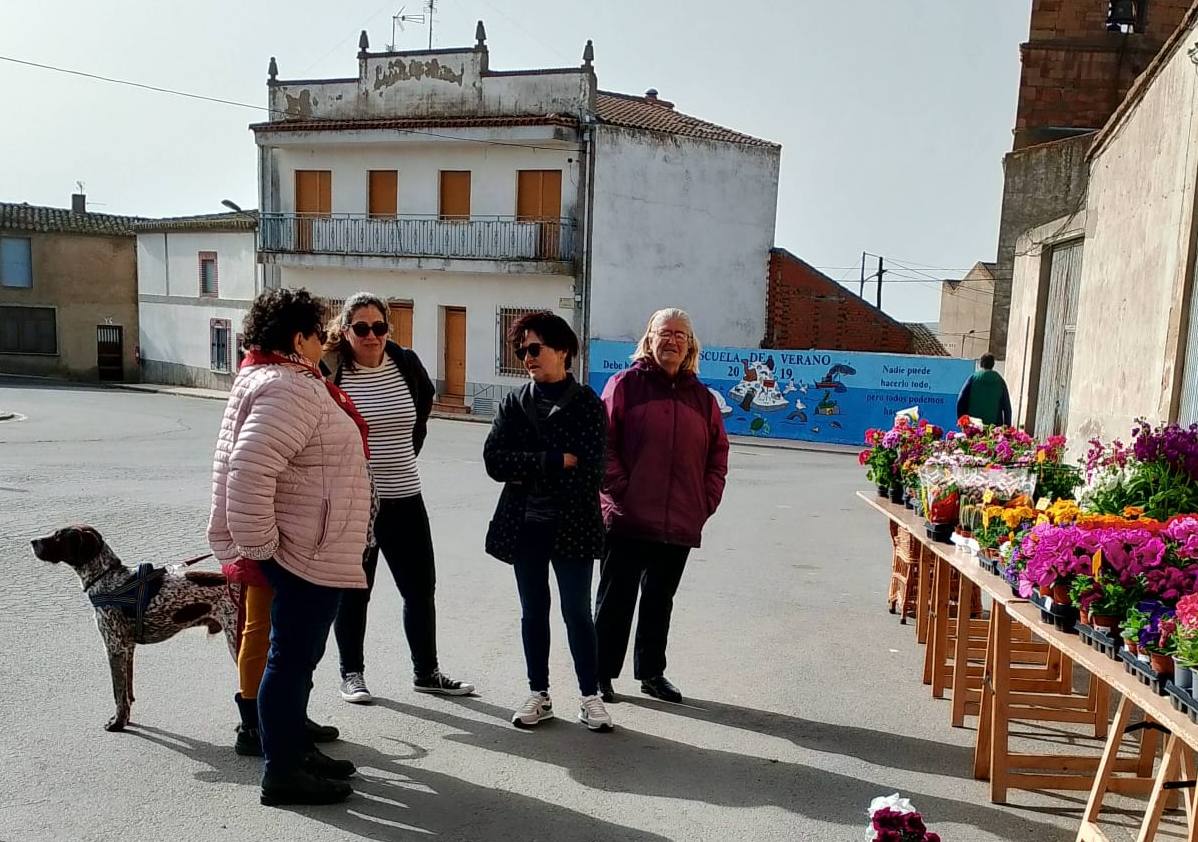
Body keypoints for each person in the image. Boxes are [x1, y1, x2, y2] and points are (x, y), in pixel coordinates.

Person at [208, 287, 372, 807]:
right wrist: (260, 547)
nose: (327, 342)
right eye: (321, 333)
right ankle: (282, 771)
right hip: (303, 547)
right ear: (297, 338)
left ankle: (293, 749)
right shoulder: (289, 388)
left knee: (297, 656)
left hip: (306, 540)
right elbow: (250, 470)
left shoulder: (280, 378)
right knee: (290, 658)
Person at [325, 292, 473, 703]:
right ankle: (351, 673)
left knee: (420, 588)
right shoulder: (333, 370)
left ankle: (427, 672)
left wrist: (403, 456)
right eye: (361, 328)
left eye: (379, 327)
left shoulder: (405, 363)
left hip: (406, 494)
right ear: (346, 330)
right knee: (356, 590)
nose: (371, 335)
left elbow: (421, 410)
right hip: (356, 503)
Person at [482, 311, 613, 732]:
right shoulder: (515, 402)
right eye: (521, 351)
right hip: (525, 527)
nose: (527, 358)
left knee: (577, 612)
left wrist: (527, 466)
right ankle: (539, 693)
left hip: (573, 525)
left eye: (534, 349)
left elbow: (591, 470)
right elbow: (494, 461)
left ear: (563, 350)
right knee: (533, 611)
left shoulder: (588, 405)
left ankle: (590, 696)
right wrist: (553, 460)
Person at [595, 308, 729, 705]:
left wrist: (705, 501)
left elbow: (717, 456)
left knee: (659, 600)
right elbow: (603, 444)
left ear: (690, 346)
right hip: (628, 515)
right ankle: (601, 673)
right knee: (615, 599)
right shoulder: (625, 385)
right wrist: (619, 489)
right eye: (664, 333)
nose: (672, 341)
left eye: (681, 335)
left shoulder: (703, 399)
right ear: (649, 339)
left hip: (681, 519)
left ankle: (652, 672)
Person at [956, 353, 1012, 426]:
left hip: (973, 426)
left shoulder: (973, 378)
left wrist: (962, 421)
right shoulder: (1000, 381)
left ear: (981, 363)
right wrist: (1007, 427)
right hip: (993, 427)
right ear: (993, 364)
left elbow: (961, 401)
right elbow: (1007, 407)